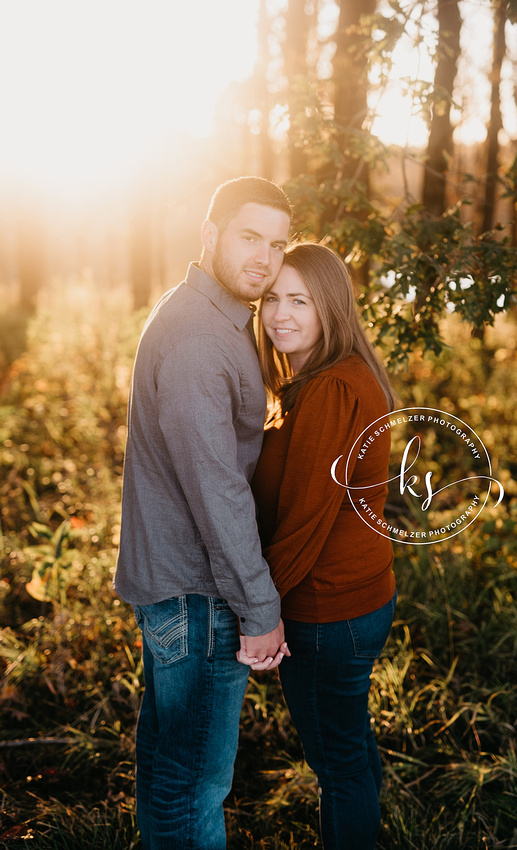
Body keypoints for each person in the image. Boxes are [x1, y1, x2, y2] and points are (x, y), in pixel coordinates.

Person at [114, 176, 292, 850]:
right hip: (199, 596)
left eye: (277, 245)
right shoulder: (198, 339)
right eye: (250, 237)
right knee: (192, 788)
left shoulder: (213, 317)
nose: (264, 258)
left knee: (170, 770)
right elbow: (216, 490)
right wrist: (259, 607)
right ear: (210, 235)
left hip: (182, 587)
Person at [243, 241, 398, 849]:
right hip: (359, 601)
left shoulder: (332, 388)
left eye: (299, 301)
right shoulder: (329, 378)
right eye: (272, 298)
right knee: (349, 740)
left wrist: (261, 609)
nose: (281, 313)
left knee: (337, 764)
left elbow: (305, 522)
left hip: (327, 611)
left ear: (330, 307)